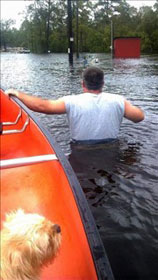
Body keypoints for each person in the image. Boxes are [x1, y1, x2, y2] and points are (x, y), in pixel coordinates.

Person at [5, 67, 144, 144]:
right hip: (110, 148)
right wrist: (124, 107)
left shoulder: (72, 101)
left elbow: (42, 107)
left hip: (81, 150)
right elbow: (139, 117)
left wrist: (17, 93)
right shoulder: (119, 100)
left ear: (83, 84)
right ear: (102, 84)